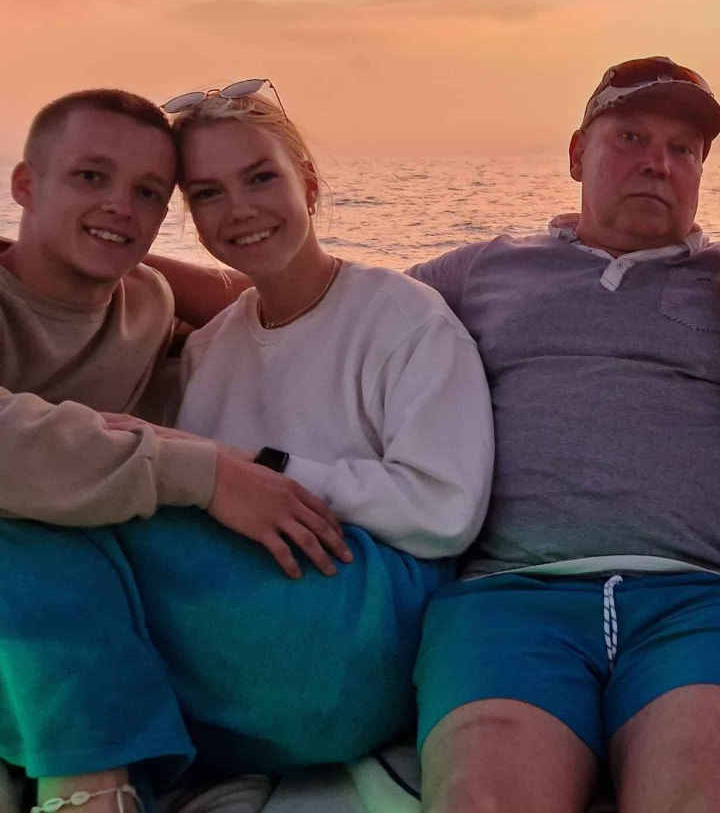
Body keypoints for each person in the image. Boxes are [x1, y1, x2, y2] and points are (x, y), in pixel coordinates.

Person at [146, 57, 720, 813]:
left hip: (701, 596)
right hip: (508, 598)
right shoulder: (479, 273)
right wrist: (133, 275)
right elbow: (317, 292)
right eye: (632, 138)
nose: (657, 162)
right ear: (578, 153)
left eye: (682, 149)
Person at [0, 85, 495, 813]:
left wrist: (255, 470)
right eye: (207, 193)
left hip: (362, 621)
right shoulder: (207, 344)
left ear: (310, 182)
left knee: (35, 519)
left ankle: (91, 788)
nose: (238, 210)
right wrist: (206, 471)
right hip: (249, 632)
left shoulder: (404, 317)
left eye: (261, 178)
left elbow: (443, 509)